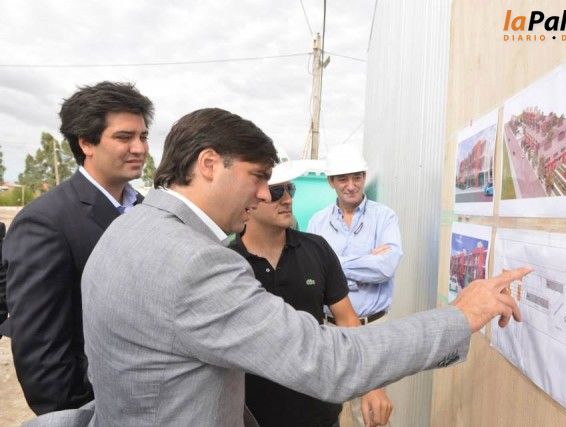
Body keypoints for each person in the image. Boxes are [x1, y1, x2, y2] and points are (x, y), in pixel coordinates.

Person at [81, 107, 529, 426]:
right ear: (210, 164)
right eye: (259, 178)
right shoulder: (195, 261)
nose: (266, 195)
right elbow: (329, 361)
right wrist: (460, 316)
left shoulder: (128, 228)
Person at [2, 81, 153, 414]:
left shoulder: (148, 211)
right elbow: (41, 351)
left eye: (143, 136)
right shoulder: (46, 221)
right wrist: (79, 414)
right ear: (86, 143)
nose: (139, 148)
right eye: (124, 137)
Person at [229, 160, 392, 427]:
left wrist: (372, 386)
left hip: (318, 412)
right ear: (251, 197)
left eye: (290, 190)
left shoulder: (317, 249)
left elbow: (347, 320)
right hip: (252, 415)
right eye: (277, 191)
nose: (287, 200)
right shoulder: (227, 262)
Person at [306, 144, 402, 425]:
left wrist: (333, 264)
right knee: (328, 410)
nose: (351, 186)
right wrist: (365, 260)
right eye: (343, 179)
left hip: (373, 328)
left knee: (371, 413)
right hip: (331, 330)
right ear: (331, 182)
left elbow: (385, 267)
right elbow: (314, 272)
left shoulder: (384, 217)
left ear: (364, 177)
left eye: (357, 177)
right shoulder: (318, 222)